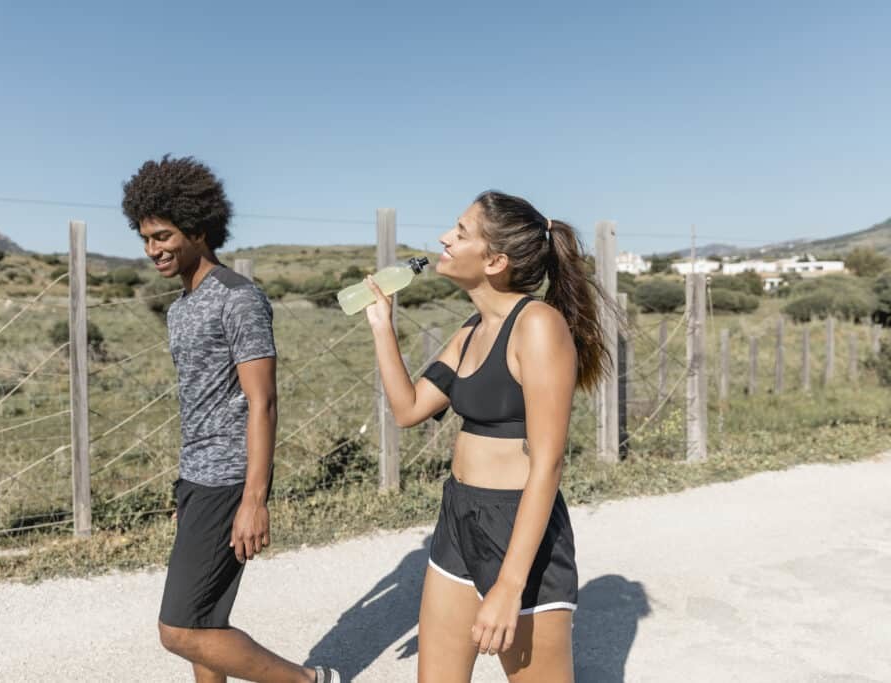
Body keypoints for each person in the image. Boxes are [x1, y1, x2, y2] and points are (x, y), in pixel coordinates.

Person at [363, 191, 610, 682]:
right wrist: (381, 327)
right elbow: (408, 409)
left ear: (494, 261)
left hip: (518, 526)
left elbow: (548, 464)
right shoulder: (471, 330)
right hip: (459, 516)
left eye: (460, 231)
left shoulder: (538, 326)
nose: (444, 238)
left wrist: (508, 585)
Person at [122, 155, 340, 683]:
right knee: (205, 623)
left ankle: (310, 682)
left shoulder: (238, 299)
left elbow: (262, 402)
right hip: (197, 477)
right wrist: (184, 490)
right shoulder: (180, 306)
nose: (153, 249)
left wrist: (253, 500)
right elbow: (200, 402)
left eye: (163, 235)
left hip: (228, 481)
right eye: (146, 237)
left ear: (198, 228)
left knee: (177, 630)